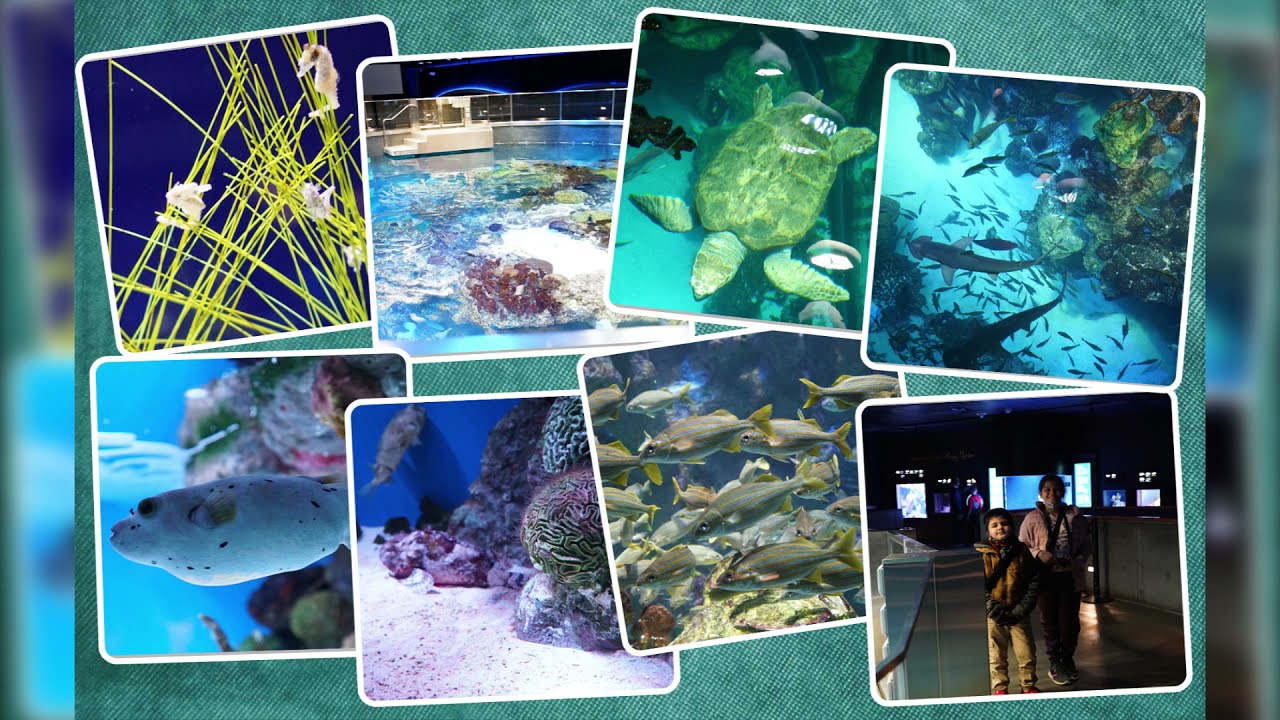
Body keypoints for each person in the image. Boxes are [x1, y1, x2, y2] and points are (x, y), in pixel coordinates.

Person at [1018, 474, 1092, 686]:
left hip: (1070, 576)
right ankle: (1055, 663)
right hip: (1044, 577)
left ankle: (1067, 659)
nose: (1052, 493)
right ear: (1040, 493)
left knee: (1070, 623)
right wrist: (1038, 554)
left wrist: (1078, 560)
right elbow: (1022, 546)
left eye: (1057, 489)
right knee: (1050, 622)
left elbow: (1087, 544)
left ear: (1064, 491)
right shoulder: (1032, 518)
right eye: (1047, 490)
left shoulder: (1075, 517)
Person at [977, 508, 1041, 695]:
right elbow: (978, 585)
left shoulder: (1022, 551)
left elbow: (1033, 580)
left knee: (1026, 653)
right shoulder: (982, 553)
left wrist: (1022, 608)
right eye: (994, 525)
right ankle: (1000, 688)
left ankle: (1028, 685)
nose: (1000, 528)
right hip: (993, 615)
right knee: (996, 655)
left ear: (1012, 526)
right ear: (987, 530)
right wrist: (992, 608)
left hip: (1018, 612)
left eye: (1004, 524)